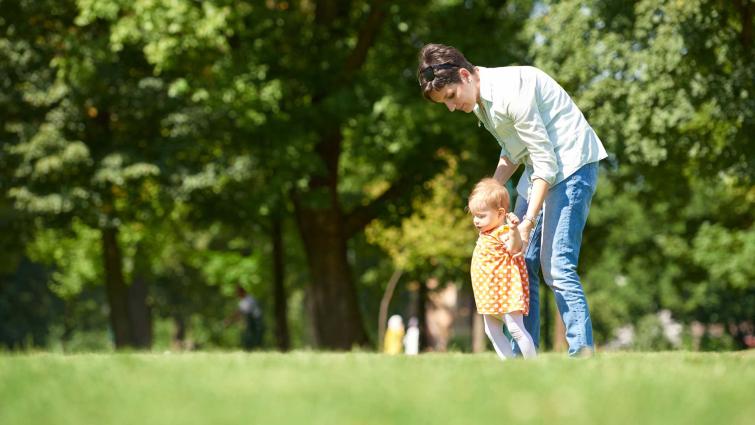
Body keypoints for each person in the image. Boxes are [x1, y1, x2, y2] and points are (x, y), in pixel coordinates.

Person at [418, 44, 607, 356]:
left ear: (465, 75)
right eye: (445, 104)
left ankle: (582, 353)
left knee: (556, 265)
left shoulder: (510, 92)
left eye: (451, 97)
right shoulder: (480, 102)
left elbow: (547, 162)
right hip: (541, 170)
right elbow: (515, 151)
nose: (452, 107)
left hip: (572, 166)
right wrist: (491, 187)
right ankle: (524, 355)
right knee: (518, 259)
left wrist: (527, 223)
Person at [468, 178, 537, 359]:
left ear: (500, 213)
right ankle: (509, 364)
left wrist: (514, 230)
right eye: (474, 215)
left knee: (515, 328)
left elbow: (515, 248)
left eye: (481, 216)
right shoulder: (485, 234)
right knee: (491, 331)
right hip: (488, 292)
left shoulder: (503, 231)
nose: (476, 220)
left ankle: (533, 363)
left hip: (505, 291)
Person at [225, 286, 265, 350]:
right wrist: (230, 320)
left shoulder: (249, 299)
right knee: (249, 334)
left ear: (242, 292)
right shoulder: (242, 301)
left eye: (238, 293)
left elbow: (241, 312)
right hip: (251, 319)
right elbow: (239, 312)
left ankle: (256, 348)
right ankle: (250, 348)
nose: (237, 295)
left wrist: (231, 320)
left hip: (256, 319)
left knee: (254, 335)